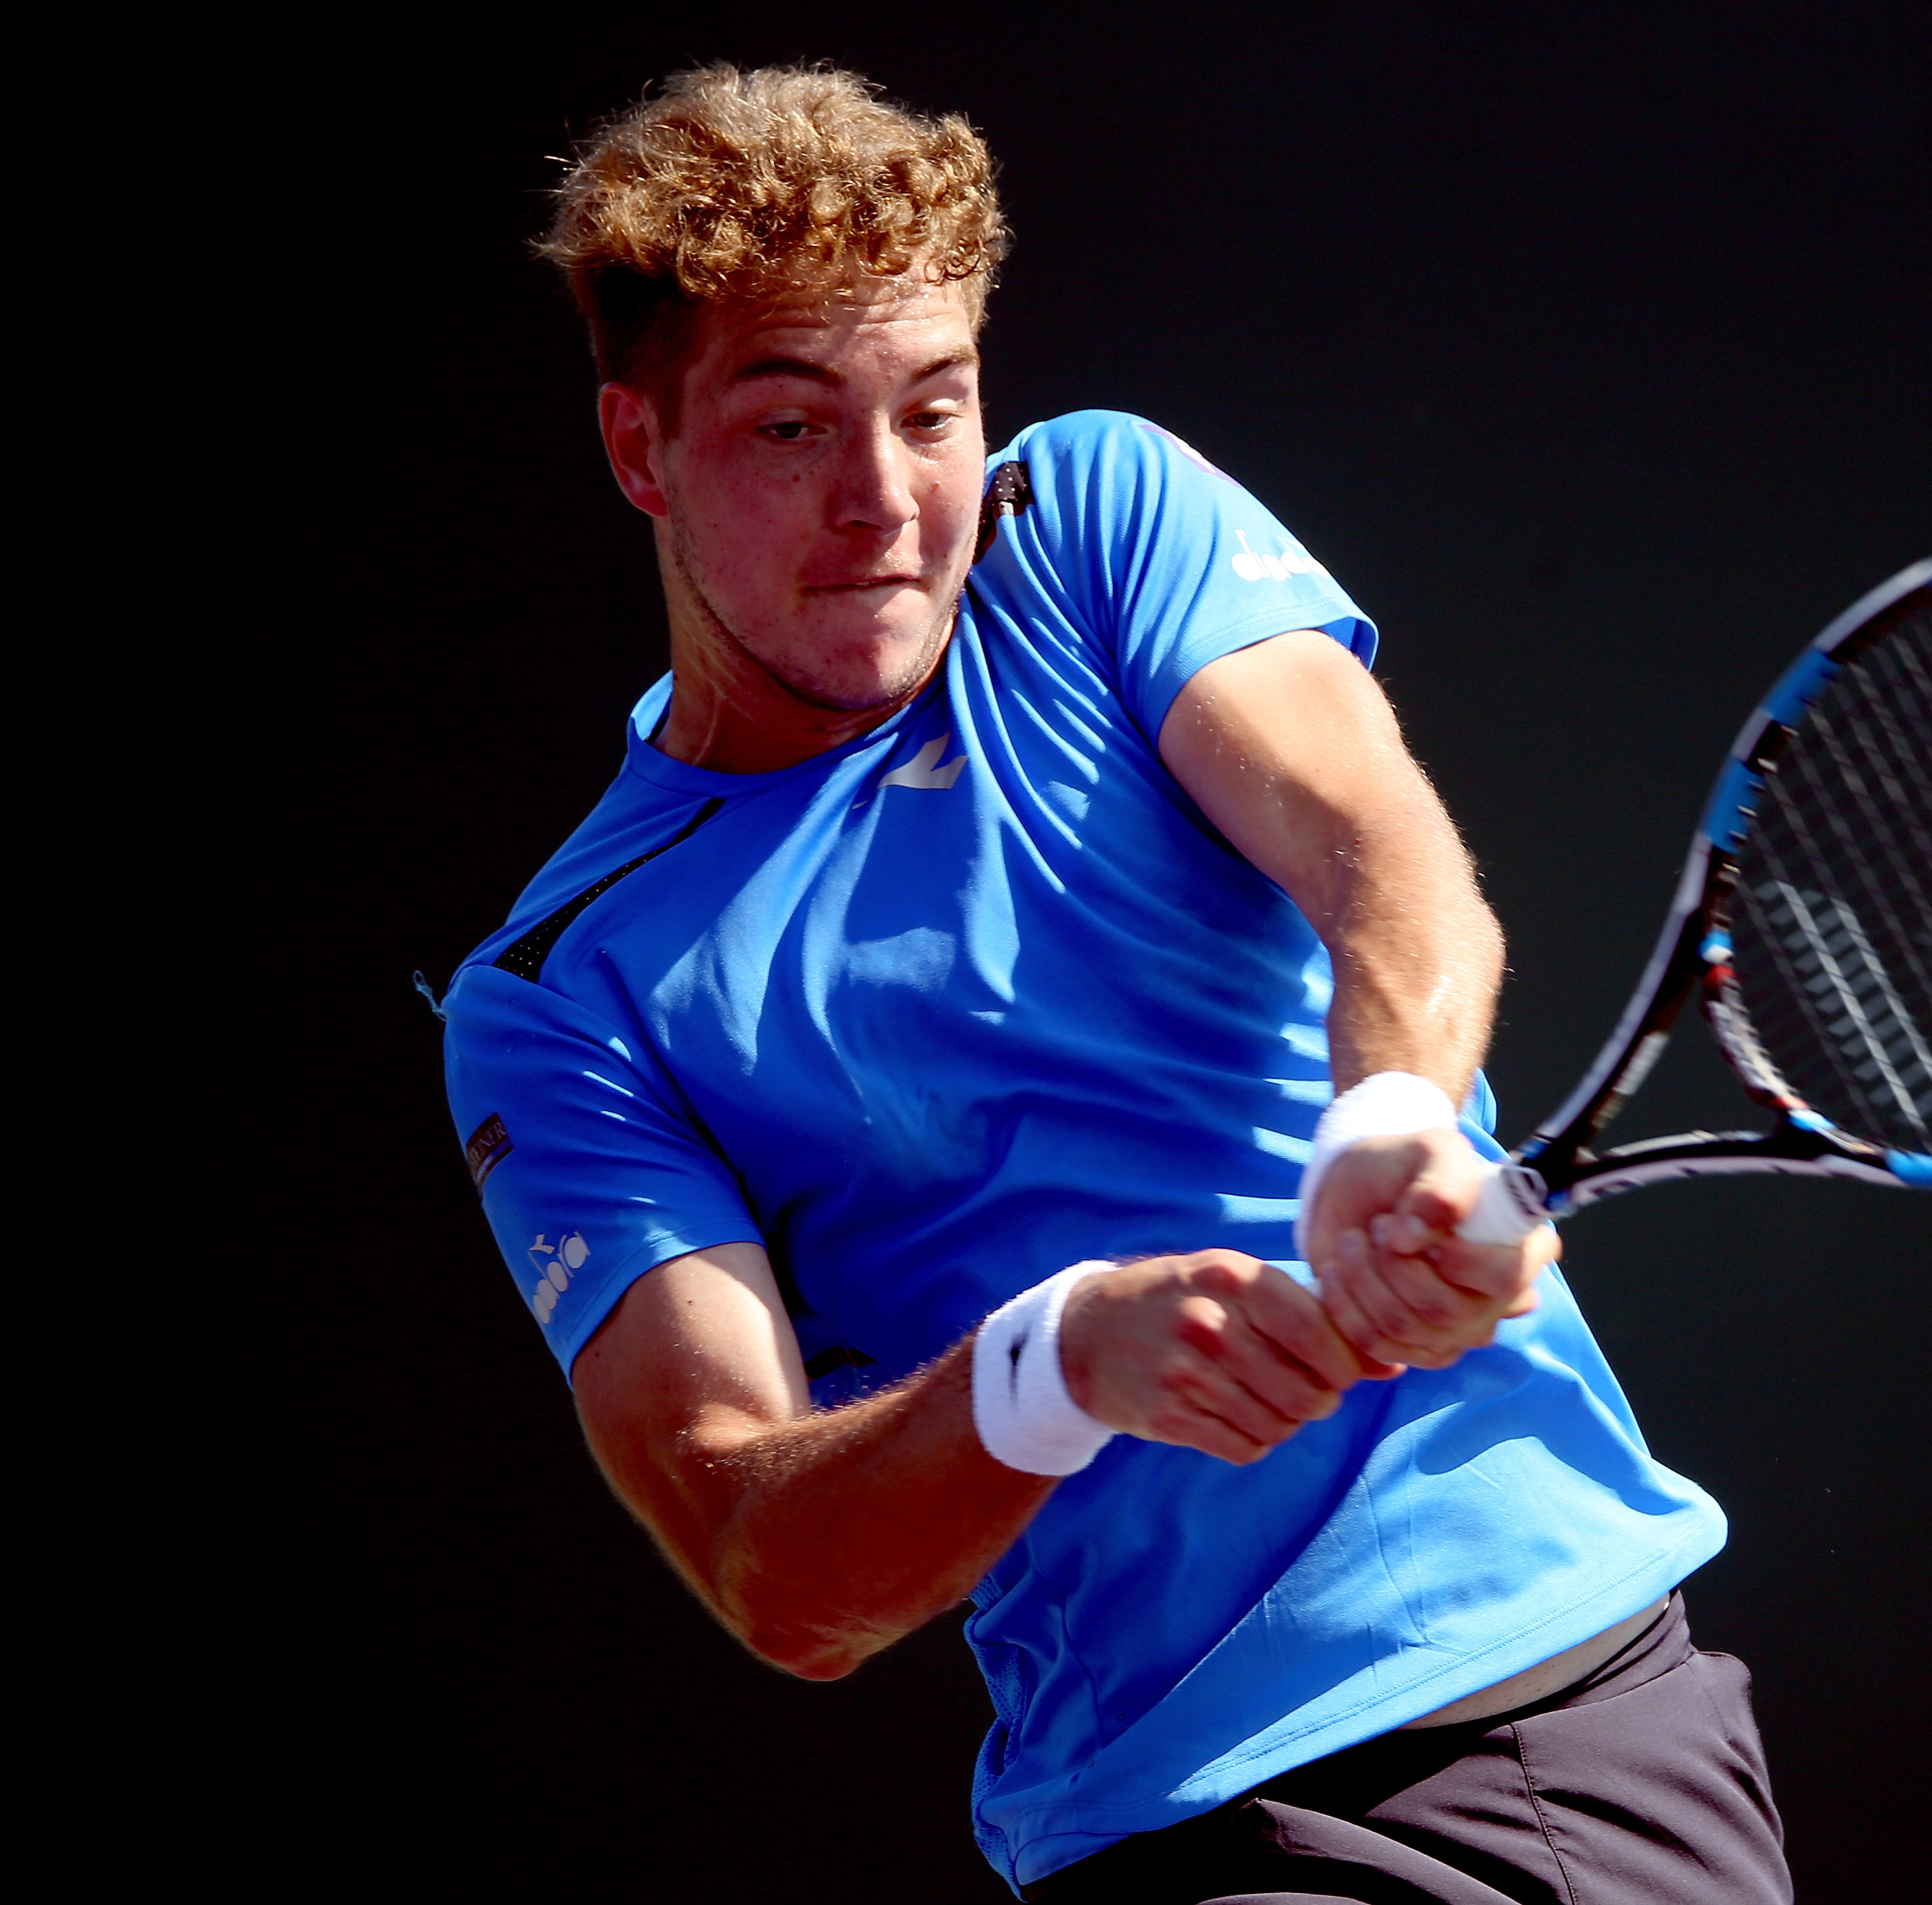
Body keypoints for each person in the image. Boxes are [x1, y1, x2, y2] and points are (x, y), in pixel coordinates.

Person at [437, 63, 1790, 1903]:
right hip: (1179, 1830)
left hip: (1575, 1698)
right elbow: (767, 1567)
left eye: (931, 410)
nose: (887, 500)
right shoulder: (562, 993)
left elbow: (1376, 859)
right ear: (638, 449)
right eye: (787, 429)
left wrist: (1388, 1117)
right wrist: (1048, 1368)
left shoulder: (1081, 522)